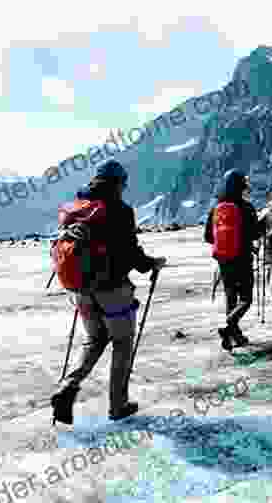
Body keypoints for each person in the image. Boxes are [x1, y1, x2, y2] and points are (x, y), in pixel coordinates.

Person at [50, 159, 166, 424]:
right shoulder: (119, 210)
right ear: (118, 182)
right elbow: (129, 251)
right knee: (122, 343)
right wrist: (151, 264)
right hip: (113, 289)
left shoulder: (79, 208)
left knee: (94, 340)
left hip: (80, 290)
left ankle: (68, 386)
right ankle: (118, 405)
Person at [204, 170, 265, 350]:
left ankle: (231, 337)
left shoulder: (216, 207)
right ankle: (229, 325)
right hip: (243, 258)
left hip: (223, 260)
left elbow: (208, 237)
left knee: (231, 298)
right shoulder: (246, 207)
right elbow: (254, 233)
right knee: (246, 299)